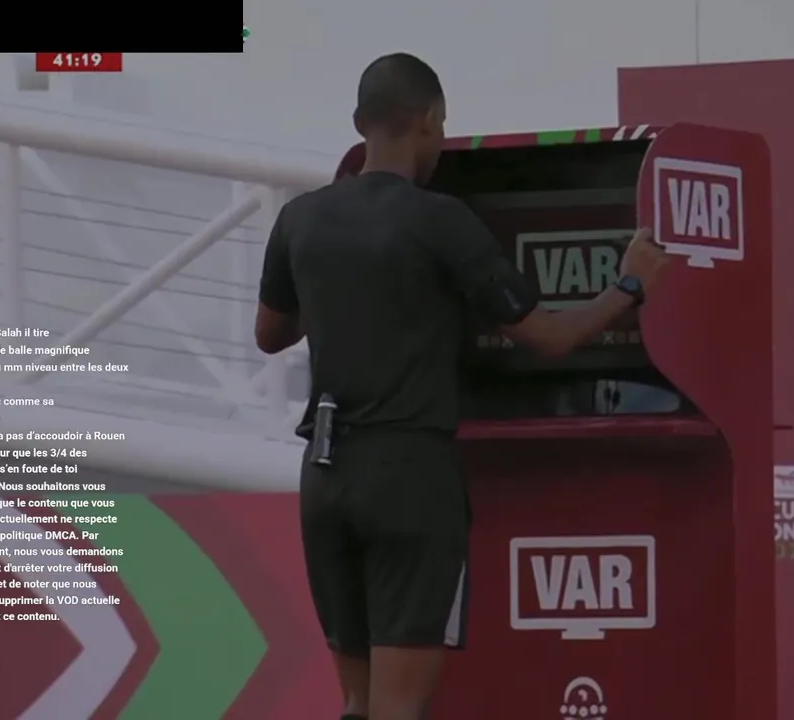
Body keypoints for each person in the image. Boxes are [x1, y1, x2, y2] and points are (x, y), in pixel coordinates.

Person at [253, 52, 669, 720]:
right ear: (429, 120)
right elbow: (550, 338)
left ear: (360, 123)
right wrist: (630, 285)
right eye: (442, 129)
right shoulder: (440, 220)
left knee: (357, 702)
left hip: (326, 477)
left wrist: (342, 290)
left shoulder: (300, 219)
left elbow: (270, 334)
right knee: (399, 707)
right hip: (410, 478)